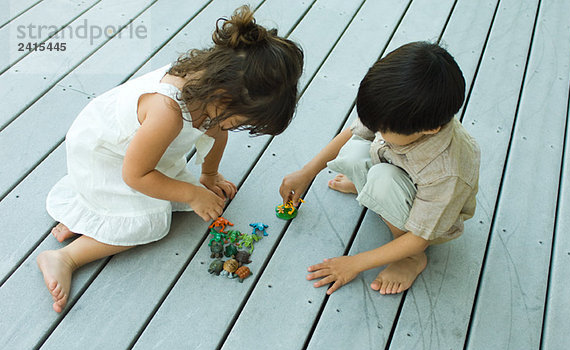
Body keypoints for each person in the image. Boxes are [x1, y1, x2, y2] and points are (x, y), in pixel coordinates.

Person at [37, 5, 304, 313]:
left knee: (175, 201)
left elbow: (217, 133)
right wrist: (192, 193)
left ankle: (91, 217)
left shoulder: (211, 87)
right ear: (223, 95)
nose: (234, 127)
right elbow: (135, 176)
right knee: (147, 225)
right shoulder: (168, 112)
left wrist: (209, 176)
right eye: (238, 121)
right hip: (108, 159)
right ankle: (67, 257)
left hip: (145, 155)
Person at [279, 41, 479, 296]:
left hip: (427, 226)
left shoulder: (448, 170)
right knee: (352, 152)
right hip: (397, 166)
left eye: (384, 130)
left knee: (382, 181)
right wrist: (307, 173)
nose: (378, 132)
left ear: (429, 130)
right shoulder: (401, 113)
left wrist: (355, 262)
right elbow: (354, 133)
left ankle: (412, 259)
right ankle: (368, 188)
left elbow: (420, 235)